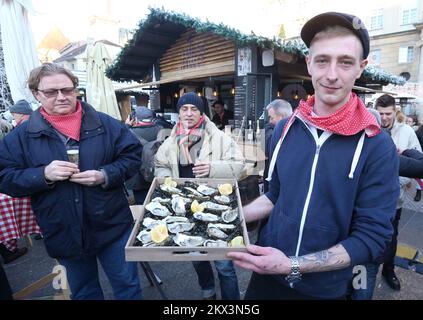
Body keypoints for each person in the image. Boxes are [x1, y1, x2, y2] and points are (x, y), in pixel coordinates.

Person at [227, 12, 399, 300]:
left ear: (361, 67)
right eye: (322, 60)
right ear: (309, 63)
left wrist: (292, 264)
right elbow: (275, 195)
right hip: (266, 277)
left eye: (345, 62)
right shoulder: (285, 128)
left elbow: (372, 237)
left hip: (326, 289)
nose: (332, 74)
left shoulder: (376, 146)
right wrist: (233, 217)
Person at [0, 63, 143, 300]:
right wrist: (42, 174)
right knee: (84, 293)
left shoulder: (105, 124)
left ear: (76, 89)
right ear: (36, 94)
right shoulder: (21, 137)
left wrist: (105, 174)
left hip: (112, 224)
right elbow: (4, 176)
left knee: (128, 287)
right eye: (51, 92)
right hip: (62, 229)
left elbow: (132, 156)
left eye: (67, 90)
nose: (61, 97)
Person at [155, 92, 246, 300]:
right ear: (178, 113)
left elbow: (240, 166)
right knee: (197, 258)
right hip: (186, 208)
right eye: (184, 109)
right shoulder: (170, 142)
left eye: (194, 109)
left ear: (202, 112)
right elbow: (160, 166)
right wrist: (167, 179)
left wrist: (213, 169)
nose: (188, 113)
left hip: (216, 205)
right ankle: (208, 293)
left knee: (224, 265)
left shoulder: (220, 138)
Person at [372, 94, 421, 292]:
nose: (384, 118)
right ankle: (367, 272)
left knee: (391, 238)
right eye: (381, 113)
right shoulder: (370, 128)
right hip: (371, 200)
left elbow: (417, 164)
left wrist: (396, 184)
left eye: (388, 114)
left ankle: (389, 270)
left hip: (395, 200)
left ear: (395, 112)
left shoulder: (407, 132)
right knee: (368, 237)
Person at [125, 106, 171, 204]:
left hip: (137, 180)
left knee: (142, 206)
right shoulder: (162, 130)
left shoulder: (127, 133)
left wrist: (126, 126)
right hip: (158, 174)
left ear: (135, 119)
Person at [263, 99, 292, 193]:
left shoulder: (289, 133)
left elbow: (268, 147)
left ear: (283, 117)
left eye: (271, 118)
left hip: (279, 188)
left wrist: (267, 128)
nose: (270, 121)